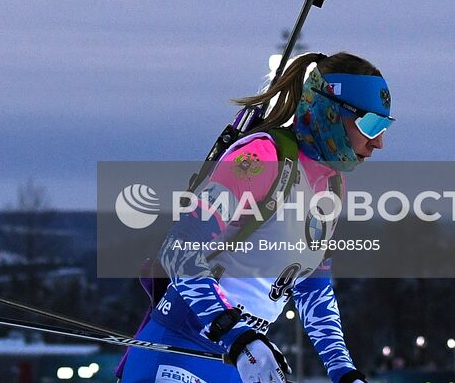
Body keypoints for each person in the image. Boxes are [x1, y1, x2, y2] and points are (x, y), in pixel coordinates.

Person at [118, 51, 393, 383]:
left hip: (238, 360)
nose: (378, 142)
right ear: (330, 111)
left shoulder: (331, 185)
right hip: (182, 350)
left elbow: (313, 289)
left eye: (384, 126)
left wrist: (344, 371)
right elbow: (179, 251)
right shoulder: (261, 157)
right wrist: (236, 333)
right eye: (370, 124)